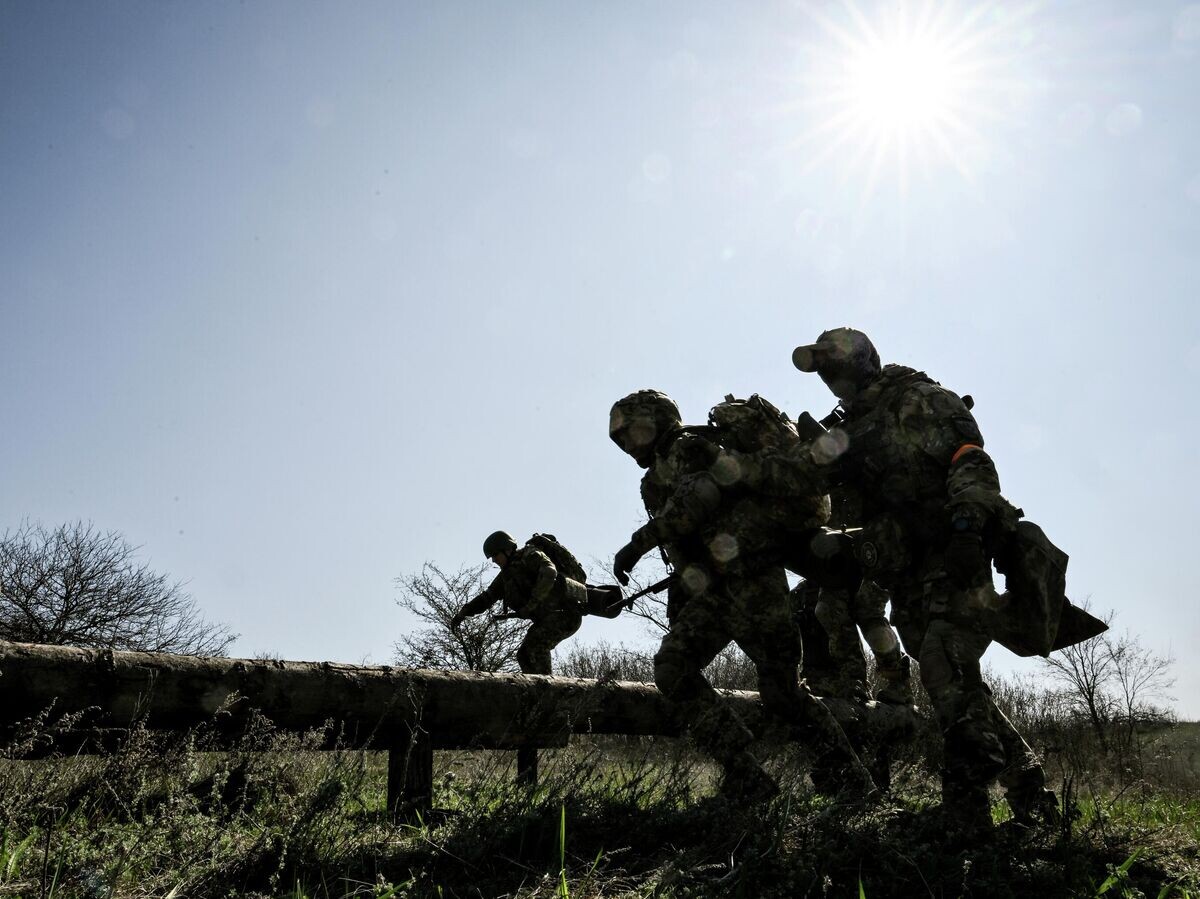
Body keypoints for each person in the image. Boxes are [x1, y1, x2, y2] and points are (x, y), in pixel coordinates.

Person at [748, 327, 1057, 833]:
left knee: (942, 659)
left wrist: (966, 528)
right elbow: (834, 496)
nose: (829, 377)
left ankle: (967, 810)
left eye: (834, 364)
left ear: (862, 360)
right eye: (821, 371)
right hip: (905, 569)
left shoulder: (915, 398)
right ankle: (1029, 787)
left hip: (953, 553)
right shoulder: (849, 426)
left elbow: (969, 458)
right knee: (952, 676)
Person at [608, 389, 875, 801]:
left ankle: (852, 784)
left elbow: (694, 503)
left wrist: (638, 542)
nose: (627, 444)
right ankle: (745, 775)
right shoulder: (656, 474)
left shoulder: (689, 447)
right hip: (716, 592)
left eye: (631, 432)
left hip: (755, 583)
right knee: (673, 668)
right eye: (620, 438)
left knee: (783, 693)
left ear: (655, 420)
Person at [450, 531, 584, 676]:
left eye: (495, 555)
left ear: (507, 549)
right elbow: (487, 598)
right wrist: (464, 612)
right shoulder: (506, 575)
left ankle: (547, 688)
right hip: (547, 619)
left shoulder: (530, 555)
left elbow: (550, 572)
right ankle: (537, 691)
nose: (494, 560)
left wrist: (531, 605)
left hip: (565, 615)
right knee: (524, 655)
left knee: (535, 646)